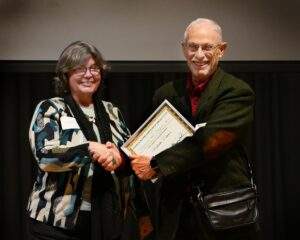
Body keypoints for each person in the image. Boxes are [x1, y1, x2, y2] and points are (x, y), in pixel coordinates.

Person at [131, 18, 259, 240]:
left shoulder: (237, 92)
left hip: (223, 209)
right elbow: (146, 140)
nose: (199, 55)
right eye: (193, 46)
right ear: (183, 49)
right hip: (175, 214)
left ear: (222, 50)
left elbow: (211, 141)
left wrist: (156, 165)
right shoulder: (165, 94)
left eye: (208, 47)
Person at [27, 41, 136, 240]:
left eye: (94, 68)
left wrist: (118, 157)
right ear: (66, 74)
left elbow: (131, 152)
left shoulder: (112, 111)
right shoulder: (51, 109)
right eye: (80, 68)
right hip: (57, 224)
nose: (89, 74)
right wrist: (90, 149)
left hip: (108, 220)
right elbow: (45, 156)